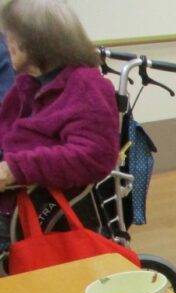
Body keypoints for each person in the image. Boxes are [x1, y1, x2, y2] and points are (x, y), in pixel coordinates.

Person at [0, 0, 118, 245]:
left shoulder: (85, 86)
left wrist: (15, 169)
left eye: (12, 35)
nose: (6, 42)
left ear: (37, 40)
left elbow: (94, 157)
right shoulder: (28, 83)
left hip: (37, 211)